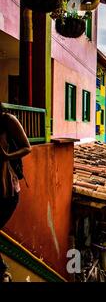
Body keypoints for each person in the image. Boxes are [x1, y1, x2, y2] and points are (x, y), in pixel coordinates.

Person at [0, 103, 32, 279]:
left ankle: (3, 271)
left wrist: (7, 157)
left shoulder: (7, 120)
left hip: (7, 189)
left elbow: (27, 147)